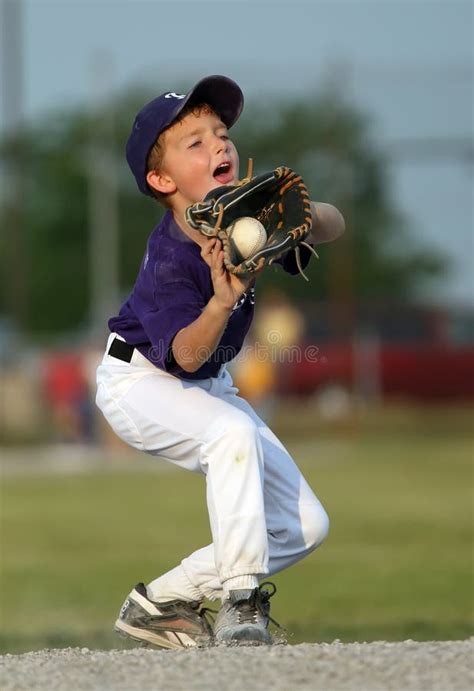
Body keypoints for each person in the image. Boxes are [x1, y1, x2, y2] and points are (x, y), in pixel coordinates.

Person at [95, 75, 343, 648]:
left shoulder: (245, 220)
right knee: (231, 433)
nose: (220, 146)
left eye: (222, 133)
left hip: (208, 386)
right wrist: (221, 301)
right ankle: (240, 604)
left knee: (305, 525)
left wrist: (304, 215)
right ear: (161, 179)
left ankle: (161, 602)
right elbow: (184, 355)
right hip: (140, 381)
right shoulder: (170, 258)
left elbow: (334, 226)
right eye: (196, 142)